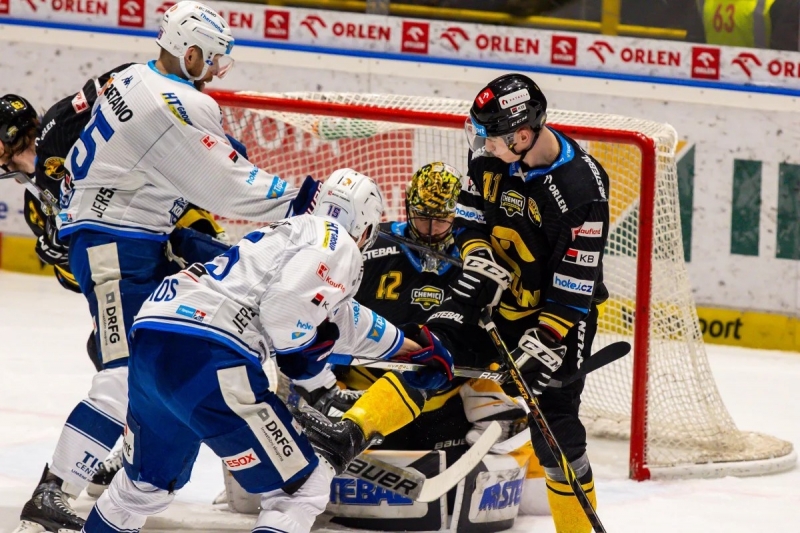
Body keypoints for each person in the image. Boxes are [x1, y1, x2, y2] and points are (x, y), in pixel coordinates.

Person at [11, 2, 320, 531]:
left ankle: (124, 466)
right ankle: (52, 491)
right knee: (122, 371)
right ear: (191, 51)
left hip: (127, 244)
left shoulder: (132, 78)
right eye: (214, 58)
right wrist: (304, 202)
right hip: (113, 249)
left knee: (156, 361)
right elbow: (226, 184)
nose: (219, 69)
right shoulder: (174, 101)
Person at [80, 169, 451, 533]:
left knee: (139, 491)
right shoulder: (338, 241)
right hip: (210, 354)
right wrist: (311, 363)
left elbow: (343, 319)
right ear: (367, 226)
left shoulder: (285, 235)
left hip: (154, 337)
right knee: (302, 490)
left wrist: (411, 348)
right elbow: (285, 316)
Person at [452, 73, 611, 533]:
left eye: (490, 136)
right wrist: (477, 256)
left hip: (558, 316)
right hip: (497, 302)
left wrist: (544, 340)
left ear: (522, 135)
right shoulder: (491, 157)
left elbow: (575, 284)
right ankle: (356, 431)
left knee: (556, 430)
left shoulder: (582, 188)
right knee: (434, 353)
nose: (481, 145)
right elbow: (469, 216)